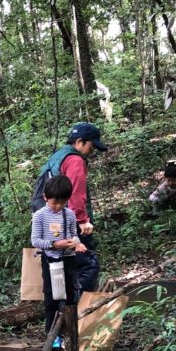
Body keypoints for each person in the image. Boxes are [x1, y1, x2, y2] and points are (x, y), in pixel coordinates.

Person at [40, 122, 107, 295]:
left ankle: (60, 305)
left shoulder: (58, 156)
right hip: (71, 223)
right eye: (91, 147)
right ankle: (78, 304)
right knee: (88, 265)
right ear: (79, 142)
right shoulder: (75, 160)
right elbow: (76, 193)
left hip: (52, 222)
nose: (91, 152)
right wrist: (83, 221)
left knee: (60, 265)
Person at [32, 174, 87, 348]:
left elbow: (74, 235)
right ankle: (51, 335)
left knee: (71, 296)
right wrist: (55, 245)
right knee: (51, 298)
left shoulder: (69, 214)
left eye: (63, 203)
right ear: (45, 198)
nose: (58, 207)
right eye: (55, 203)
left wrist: (77, 244)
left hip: (68, 260)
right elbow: (35, 241)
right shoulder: (40, 216)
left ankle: (70, 333)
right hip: (50, 261)